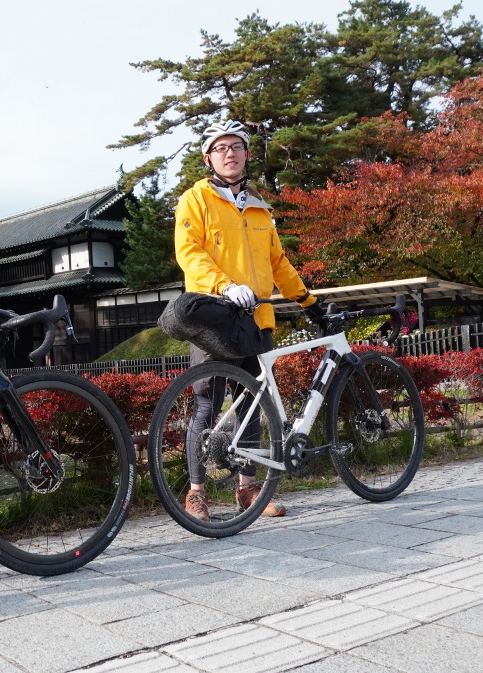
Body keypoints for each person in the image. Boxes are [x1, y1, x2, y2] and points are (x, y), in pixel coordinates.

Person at [173, 119, 324, 522]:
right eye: (220, 147)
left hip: (257, 318)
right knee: (207, 403)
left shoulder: (259, 206)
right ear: (208, 158)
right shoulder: (196, 199)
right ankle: (197, 492)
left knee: (252, 405)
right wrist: (224, 286)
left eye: (236, 146)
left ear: (247, 154)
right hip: (214, 315)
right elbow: (189, 253)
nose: (229, 153)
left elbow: (277, 261)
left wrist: (307, 299)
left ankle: (247, 488)